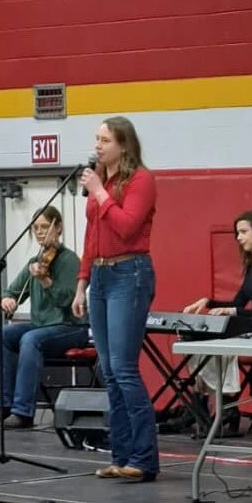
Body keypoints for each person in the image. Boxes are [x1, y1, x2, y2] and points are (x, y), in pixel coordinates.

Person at [72, 116, 159, 482]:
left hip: (130, 273)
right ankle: (121, 456)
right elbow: (94, 234)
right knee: (108, 372)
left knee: (124, 368)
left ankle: (144, 458)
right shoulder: (100, 183)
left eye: (105, 140)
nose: (98, 146)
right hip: (103, 277)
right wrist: (82, 283)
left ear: (123, 145)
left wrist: (100, 193)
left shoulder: (141, 180)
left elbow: (126, 226)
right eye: (96, 139)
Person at [182, 210, 252, 433]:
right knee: (197, 340)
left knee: (224, 341)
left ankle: (228, 406)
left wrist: (232, 311)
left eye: (243, 232)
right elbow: (237, 302)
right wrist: (208, 302)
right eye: (237, 233)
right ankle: (201, 404)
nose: (238, 238)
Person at [0, 206, 89, 429]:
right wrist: (7, 300)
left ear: (58, 228)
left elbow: (68, 301)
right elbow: (11, 291)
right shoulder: (36, 261)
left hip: (70, 327)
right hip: (42, 326)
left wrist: (46, 282)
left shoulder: (70, 260)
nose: (40, 232)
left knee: (31, 339)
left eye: (44, 227)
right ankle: (2, 404)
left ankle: (23, 412)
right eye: (35, 228)